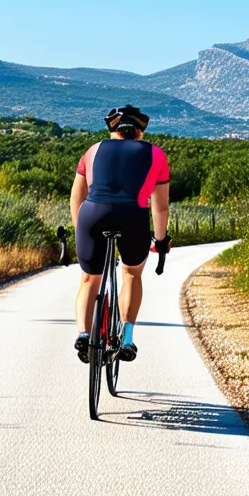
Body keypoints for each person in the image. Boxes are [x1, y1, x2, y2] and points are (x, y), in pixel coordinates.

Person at [71, 104, 171, 363]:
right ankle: (127, 339)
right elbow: (160, 206)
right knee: (131, 272)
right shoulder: (156, 154)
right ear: (140, 132)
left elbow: (77, 198)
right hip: (132, 217)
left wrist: (79, 230)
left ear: (113, 130)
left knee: (89, 280)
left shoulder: (92, 150)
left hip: (91, 216)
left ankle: (83, 334)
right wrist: (160, 241)